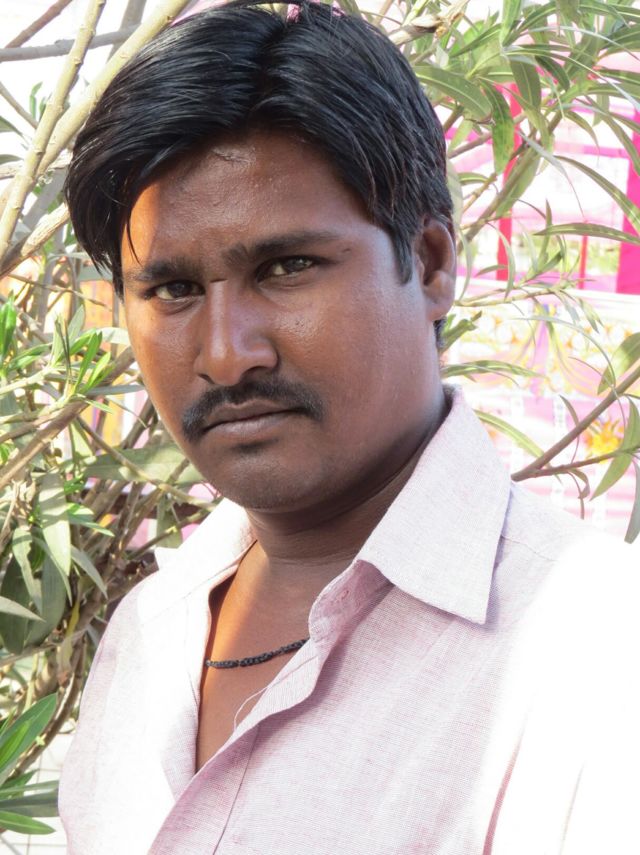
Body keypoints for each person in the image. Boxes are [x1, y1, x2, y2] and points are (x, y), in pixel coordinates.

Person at [58, 2, 638, 853]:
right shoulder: (152, 631)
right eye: (173, 290)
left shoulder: (594, 650)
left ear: (431, 264)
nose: (227, 354)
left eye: (286, 267)